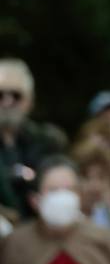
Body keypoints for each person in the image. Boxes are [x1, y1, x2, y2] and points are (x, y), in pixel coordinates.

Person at [0, 58, 67, 220]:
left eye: (16, 96)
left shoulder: (48, 141)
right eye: (0, 95)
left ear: (29, 101)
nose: (7, 102)